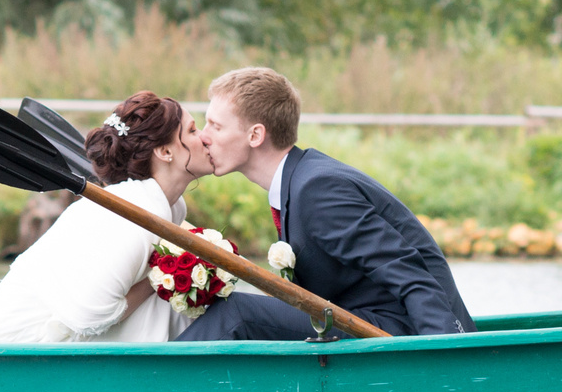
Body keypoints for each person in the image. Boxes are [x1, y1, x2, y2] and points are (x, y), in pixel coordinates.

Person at [175, 65, 475, 341]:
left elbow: (407, 270)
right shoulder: (299, 181)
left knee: (236, 312)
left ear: (255, 135)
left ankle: (154, 377)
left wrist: (445, 350)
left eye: (215, 126)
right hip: (364, 319)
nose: (203, 137)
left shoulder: (316, 189)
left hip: (399, 331)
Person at [0, 90, 216, 344]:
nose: (205, 138)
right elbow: (90, 319)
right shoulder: (140, 212)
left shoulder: (165, 206)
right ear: (164, 151)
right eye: (192, 130)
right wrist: (162, 277)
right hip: (12, 348)